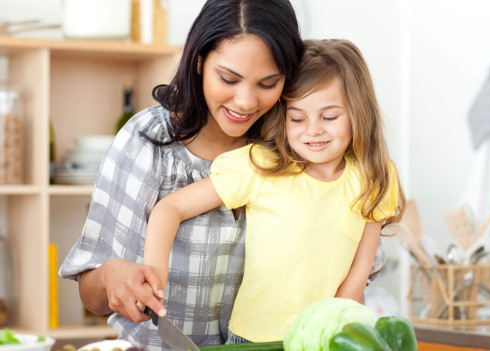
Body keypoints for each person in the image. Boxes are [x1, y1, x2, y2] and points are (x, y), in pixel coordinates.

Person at [59, 0, 303, 348]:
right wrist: (112, 275)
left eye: (268, 83)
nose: (246, 101)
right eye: (229, 79)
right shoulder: (148, 141)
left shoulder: (293, 149)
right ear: (199, 61)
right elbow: (91, 296)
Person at [143, 39, 406, 344]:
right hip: (253, 340)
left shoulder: (374, 175)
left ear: (357, 113)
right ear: (283, 116)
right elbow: (170, 208)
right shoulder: (261, 166)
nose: (313, 130)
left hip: (323, 339)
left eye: (330, 117)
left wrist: (327, 329)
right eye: (297, 118)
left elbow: (360, 270)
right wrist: (154, 276)